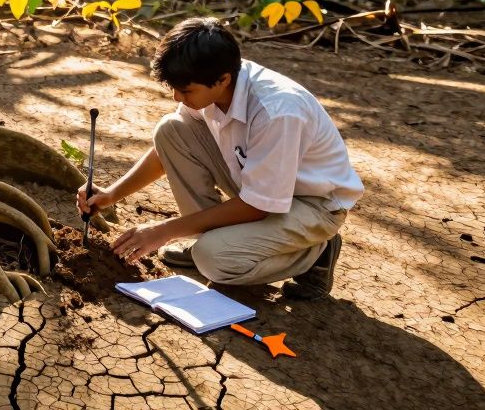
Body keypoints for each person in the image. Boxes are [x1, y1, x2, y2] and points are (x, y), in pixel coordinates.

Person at [78, 17, 363, 300]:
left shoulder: (277, 111)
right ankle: (219, 241)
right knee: (170, 130)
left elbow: (257, 207)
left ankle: (315, 252)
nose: (178, 97)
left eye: (186, 90)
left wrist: (164, 231)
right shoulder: (215, 83)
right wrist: (112, 194)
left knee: (215, 260)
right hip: (260, 187)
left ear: (223, 79)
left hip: (312, 205)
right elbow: (168, 151)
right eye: (174, 88)